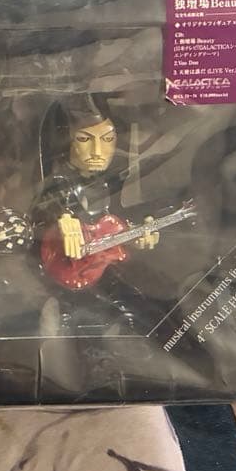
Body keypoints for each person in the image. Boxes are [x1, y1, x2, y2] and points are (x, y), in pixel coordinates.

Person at [33, 95, 158, 334]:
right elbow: (42, 212)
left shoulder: (112, 181)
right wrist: (60, 220)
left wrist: (136, 234)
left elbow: (111, 224)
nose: (98, 151)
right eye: (84, 139)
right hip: (64, 279)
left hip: (105, 275)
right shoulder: (57, 185)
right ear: (63, 140)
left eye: (108, 139)